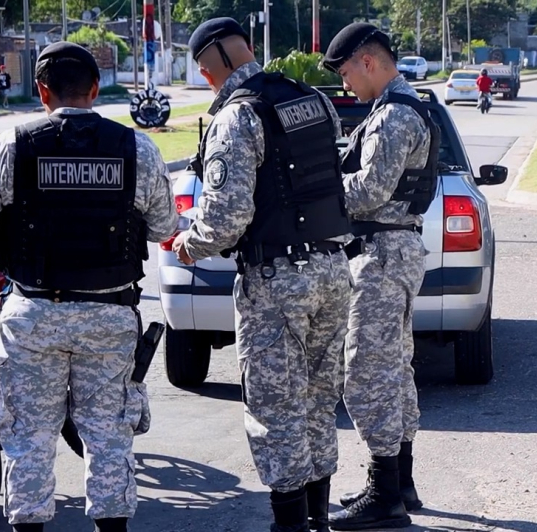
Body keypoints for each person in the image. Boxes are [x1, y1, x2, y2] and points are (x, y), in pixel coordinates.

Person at [0, 42, 178, 532]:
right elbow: (165, 227)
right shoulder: (135, 148)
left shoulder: (13, 145)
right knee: (109, 439)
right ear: (95, 90)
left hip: (33, 316)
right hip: (110, 317)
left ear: (41, 92)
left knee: (28, 439)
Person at [171, 17, 354, 532]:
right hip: (333, 269)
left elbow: (224, 222)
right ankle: (318, 514)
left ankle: (289, 523)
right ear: (247, 49)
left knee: (276, 407)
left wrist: (188, 244)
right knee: (320, 397)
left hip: (278, 280)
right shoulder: (309, 98)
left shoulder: (237, 116)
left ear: (210, 68)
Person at [320, 22, 440, 531]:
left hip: (381, 252)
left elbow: (369, 192)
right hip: (391, 250)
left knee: (366, 371)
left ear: (367, 62)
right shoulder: (398, 108)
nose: (345, 84)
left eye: (346, 72)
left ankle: (384, 494)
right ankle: (400, 483)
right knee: (394, 370)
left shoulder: (393, 115)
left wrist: (314, 191)